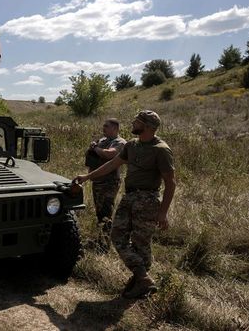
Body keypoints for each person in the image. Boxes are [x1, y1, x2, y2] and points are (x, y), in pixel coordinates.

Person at [74, 110, 176, 299]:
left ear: (146, 127)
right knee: (116, 236)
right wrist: (88, 177)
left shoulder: (161, 150)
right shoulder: (131, 145)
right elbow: (112, 164)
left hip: (147, 201)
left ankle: (139, 282)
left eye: (136, 122)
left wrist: (163, 213)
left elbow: (171, 183)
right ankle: (143, 278)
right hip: (129, 198)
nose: (132, 123)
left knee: (141, 244)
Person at [85, 118, 126, 252]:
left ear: (115, 128)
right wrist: (94, 147)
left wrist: (95, 148)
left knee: (106, 212)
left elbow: (110, 155)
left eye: (106, 126)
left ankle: (106, 244)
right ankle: (100, 240)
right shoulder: (102, 141)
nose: (103, 128)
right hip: (97, 181)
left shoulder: (120, 142)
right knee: (99, 212)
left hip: (109, 182)